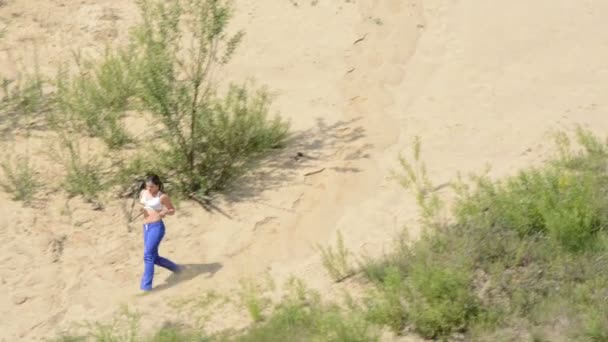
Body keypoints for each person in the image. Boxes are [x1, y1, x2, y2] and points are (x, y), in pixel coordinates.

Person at [138, 174, 181, 291]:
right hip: (146, 227)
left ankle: (146, 288)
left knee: (147, 256)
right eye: (147, 187)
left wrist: (164, 212)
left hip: (156, 227)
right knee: (154, 258)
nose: (149, 189)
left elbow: (172, 210)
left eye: (151, 187)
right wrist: (142, 210)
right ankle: (177, 269)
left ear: (157, 186)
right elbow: (144, 205)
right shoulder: (143, 193)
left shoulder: (162, 197)